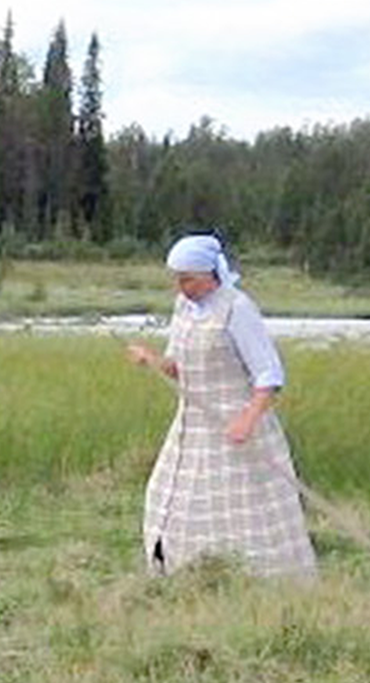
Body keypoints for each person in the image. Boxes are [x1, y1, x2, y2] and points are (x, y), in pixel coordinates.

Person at [125, 233, 316, 578]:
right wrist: (150, 359)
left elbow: (268, 375)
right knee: (166, 496)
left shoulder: (237, 308)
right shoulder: (184, 308)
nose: (181, 287)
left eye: (188, 280)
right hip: (192, 427)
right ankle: (182, 574)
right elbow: (178, 367)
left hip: (237, 425)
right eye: (177, 279)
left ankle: (256, 577)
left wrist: (248, 420)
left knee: (239, 507)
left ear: (209, 274)